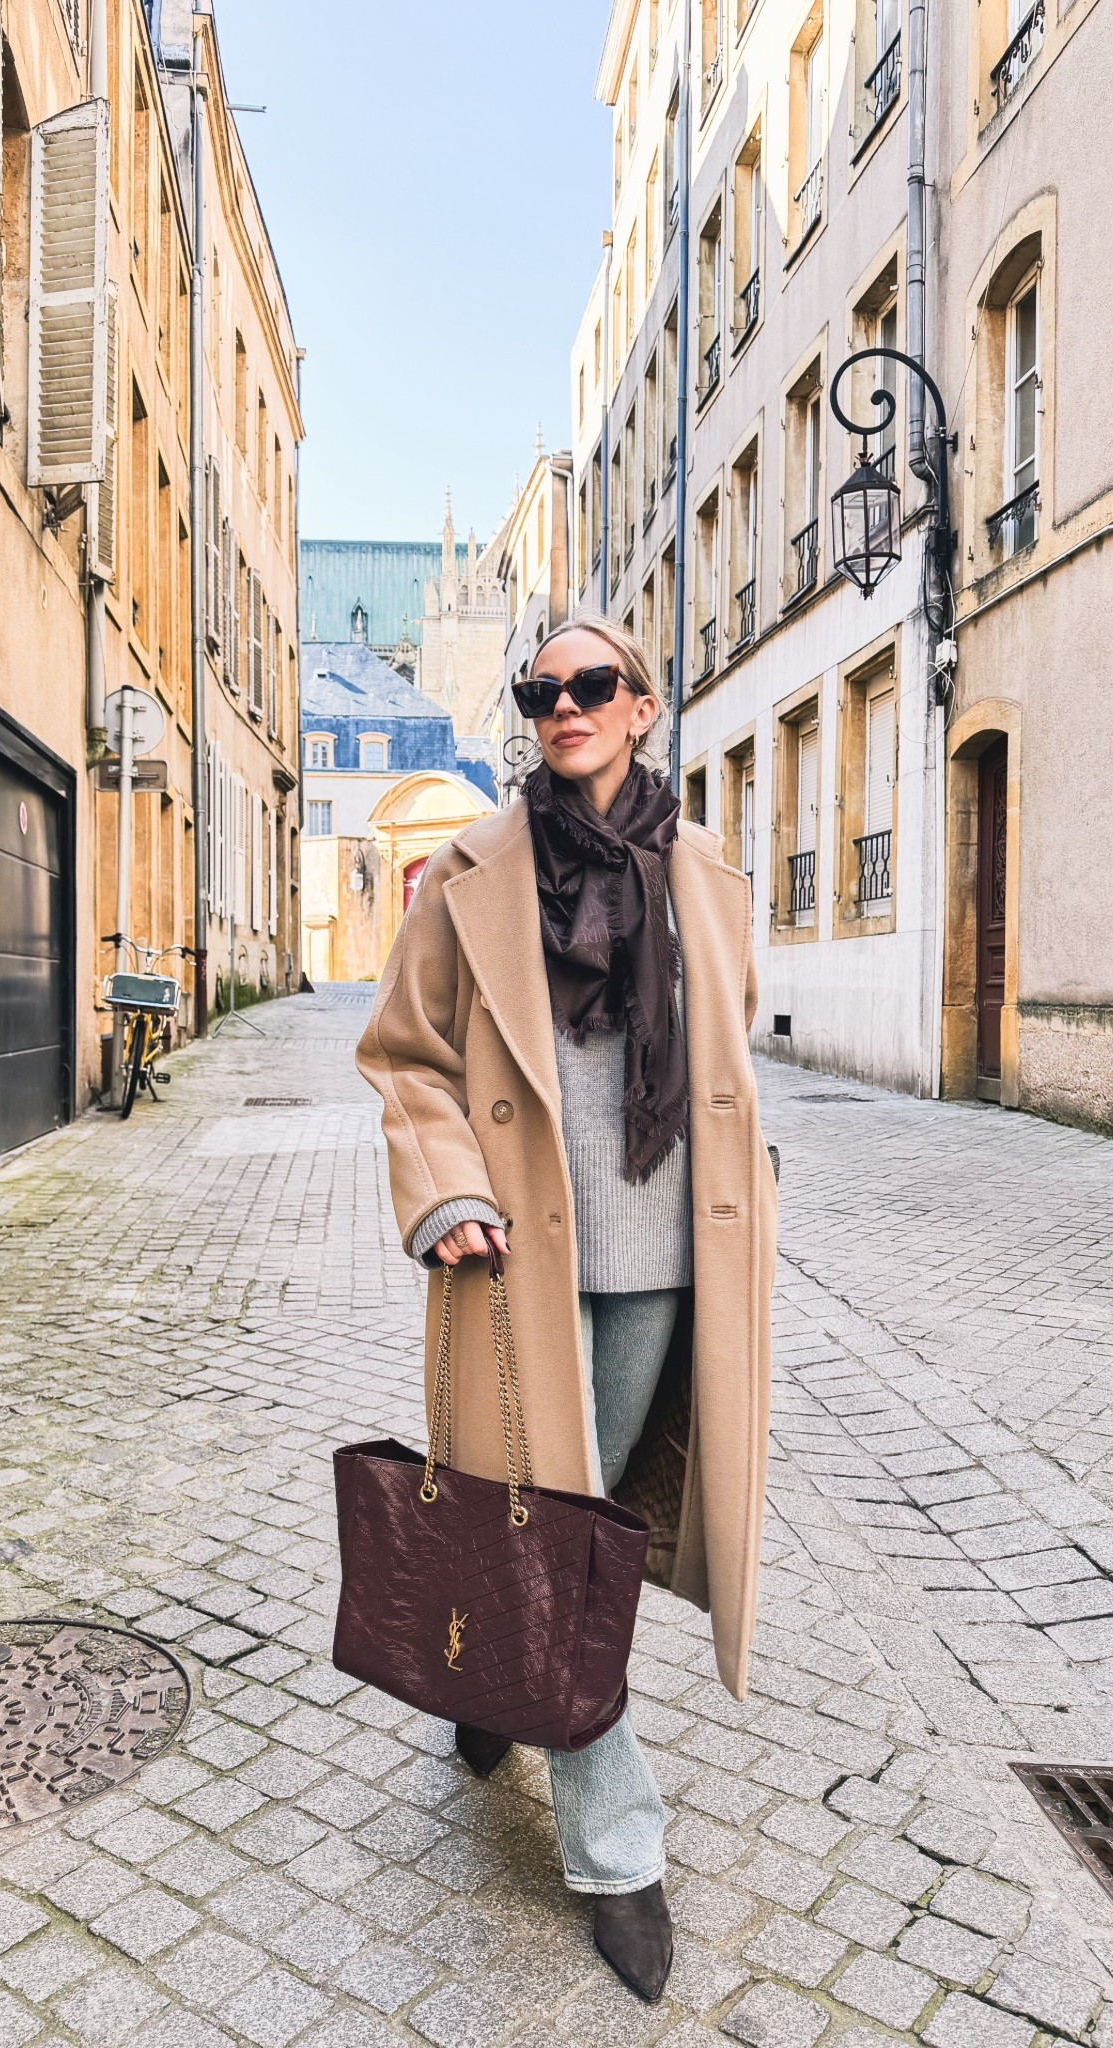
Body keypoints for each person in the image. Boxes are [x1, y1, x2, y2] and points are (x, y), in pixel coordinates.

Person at [356, 617, 777, 2003]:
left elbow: (728, 1043)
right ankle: (618, 1850)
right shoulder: (470, 873)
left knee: (572, 1530)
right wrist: (441, 1188)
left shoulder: (705, 871)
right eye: (542, 692)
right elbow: (404, 1055)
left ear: (643, 707)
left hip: (665, 1255)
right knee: (556, 1543)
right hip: (513, 1259)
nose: (564, 706)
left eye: (592, 685)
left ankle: (490, 1690)